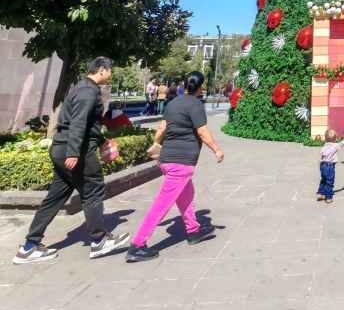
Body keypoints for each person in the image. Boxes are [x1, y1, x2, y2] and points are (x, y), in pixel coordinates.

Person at [13, 57, 130, 264]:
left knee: (55, 198)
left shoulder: (79, 88)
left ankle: (29, 247)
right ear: (102, 70)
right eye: (110, 71)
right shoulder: (89, 90)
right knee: (93, 189)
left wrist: (100, 140)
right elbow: (78, 122)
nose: (111, 75)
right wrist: (74, 152)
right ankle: (99, 240)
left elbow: (85, 124)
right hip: (74, 150)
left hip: (61, 147)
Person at [125, 70, 224, 262]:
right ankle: (137, 245)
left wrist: (156, 144)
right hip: (181, 161)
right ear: (200, 88)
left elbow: (161, 128)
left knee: (187, 194)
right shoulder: (195, 105)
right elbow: (202, 131)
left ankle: (193, 231)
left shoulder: (173, 103)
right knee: (161, 205)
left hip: (167, 158)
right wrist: (217, 150)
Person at [316, 128, 344, 203]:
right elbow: (343, 142)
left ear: (326, 138)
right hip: (330, 166)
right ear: (335, 139)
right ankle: (328, 197)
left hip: (322, 165)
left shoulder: (324, 145)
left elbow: (321, 155)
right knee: (329, 182)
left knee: (323, 180)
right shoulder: (335, 146)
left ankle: (320, 193)